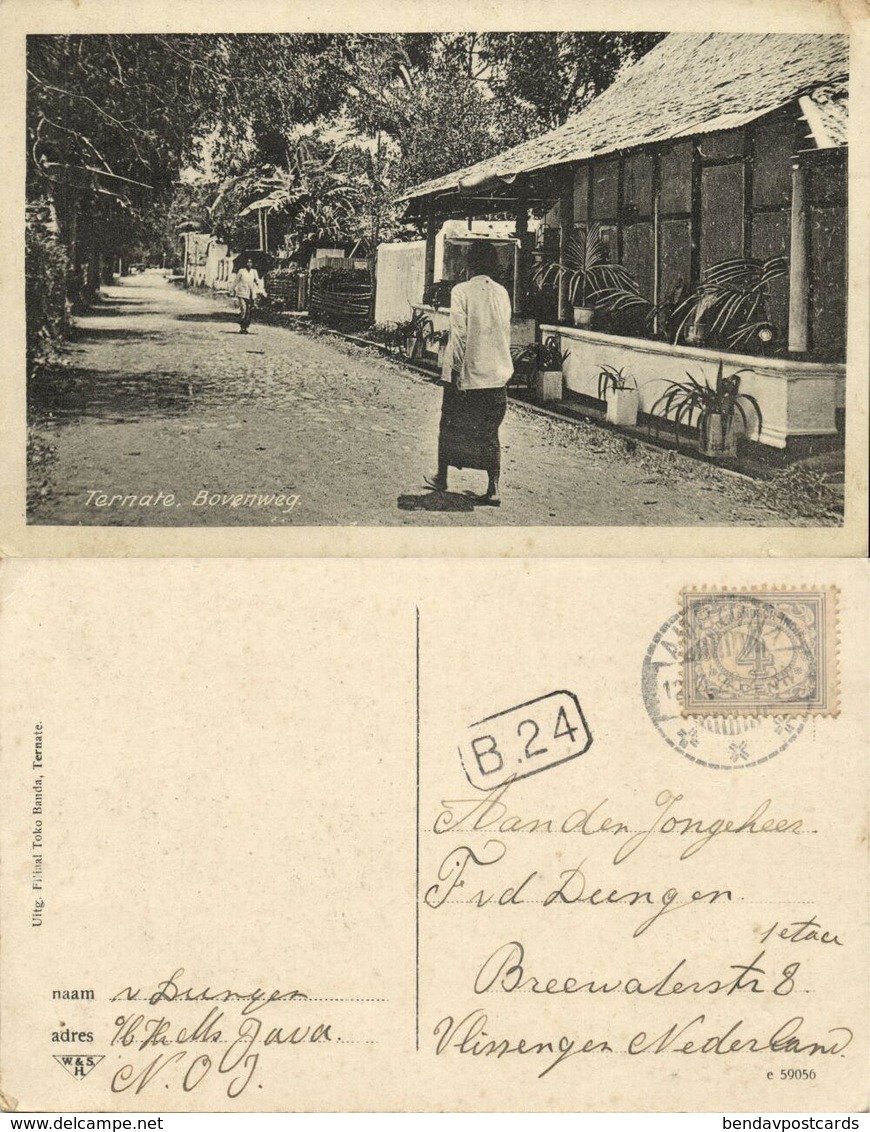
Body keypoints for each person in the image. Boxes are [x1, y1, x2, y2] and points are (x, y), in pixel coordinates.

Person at [426, 241, 513, 505]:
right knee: (490, 432)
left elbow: (460, 335)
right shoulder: (502, 293)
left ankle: (442, 476)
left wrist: (455, 373)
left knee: (449, 424)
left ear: (469, 264)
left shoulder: (461, 291)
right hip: (497, 374)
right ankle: (494, 488)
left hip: (468, 373)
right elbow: (504, 332)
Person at [231, 257, 266, 334]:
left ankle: (246, 327)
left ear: (252, 264)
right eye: (247, 262)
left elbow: (257, 281)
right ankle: (242, 327)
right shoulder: (241, 271)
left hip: (250, 294)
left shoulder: (254, 271)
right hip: (242, 293)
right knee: (243, 309)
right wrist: (231, 289)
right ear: (245, 263)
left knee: (249, 311)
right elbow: (236, 281)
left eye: (250, 262)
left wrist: (260, 287)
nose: (249, 264)